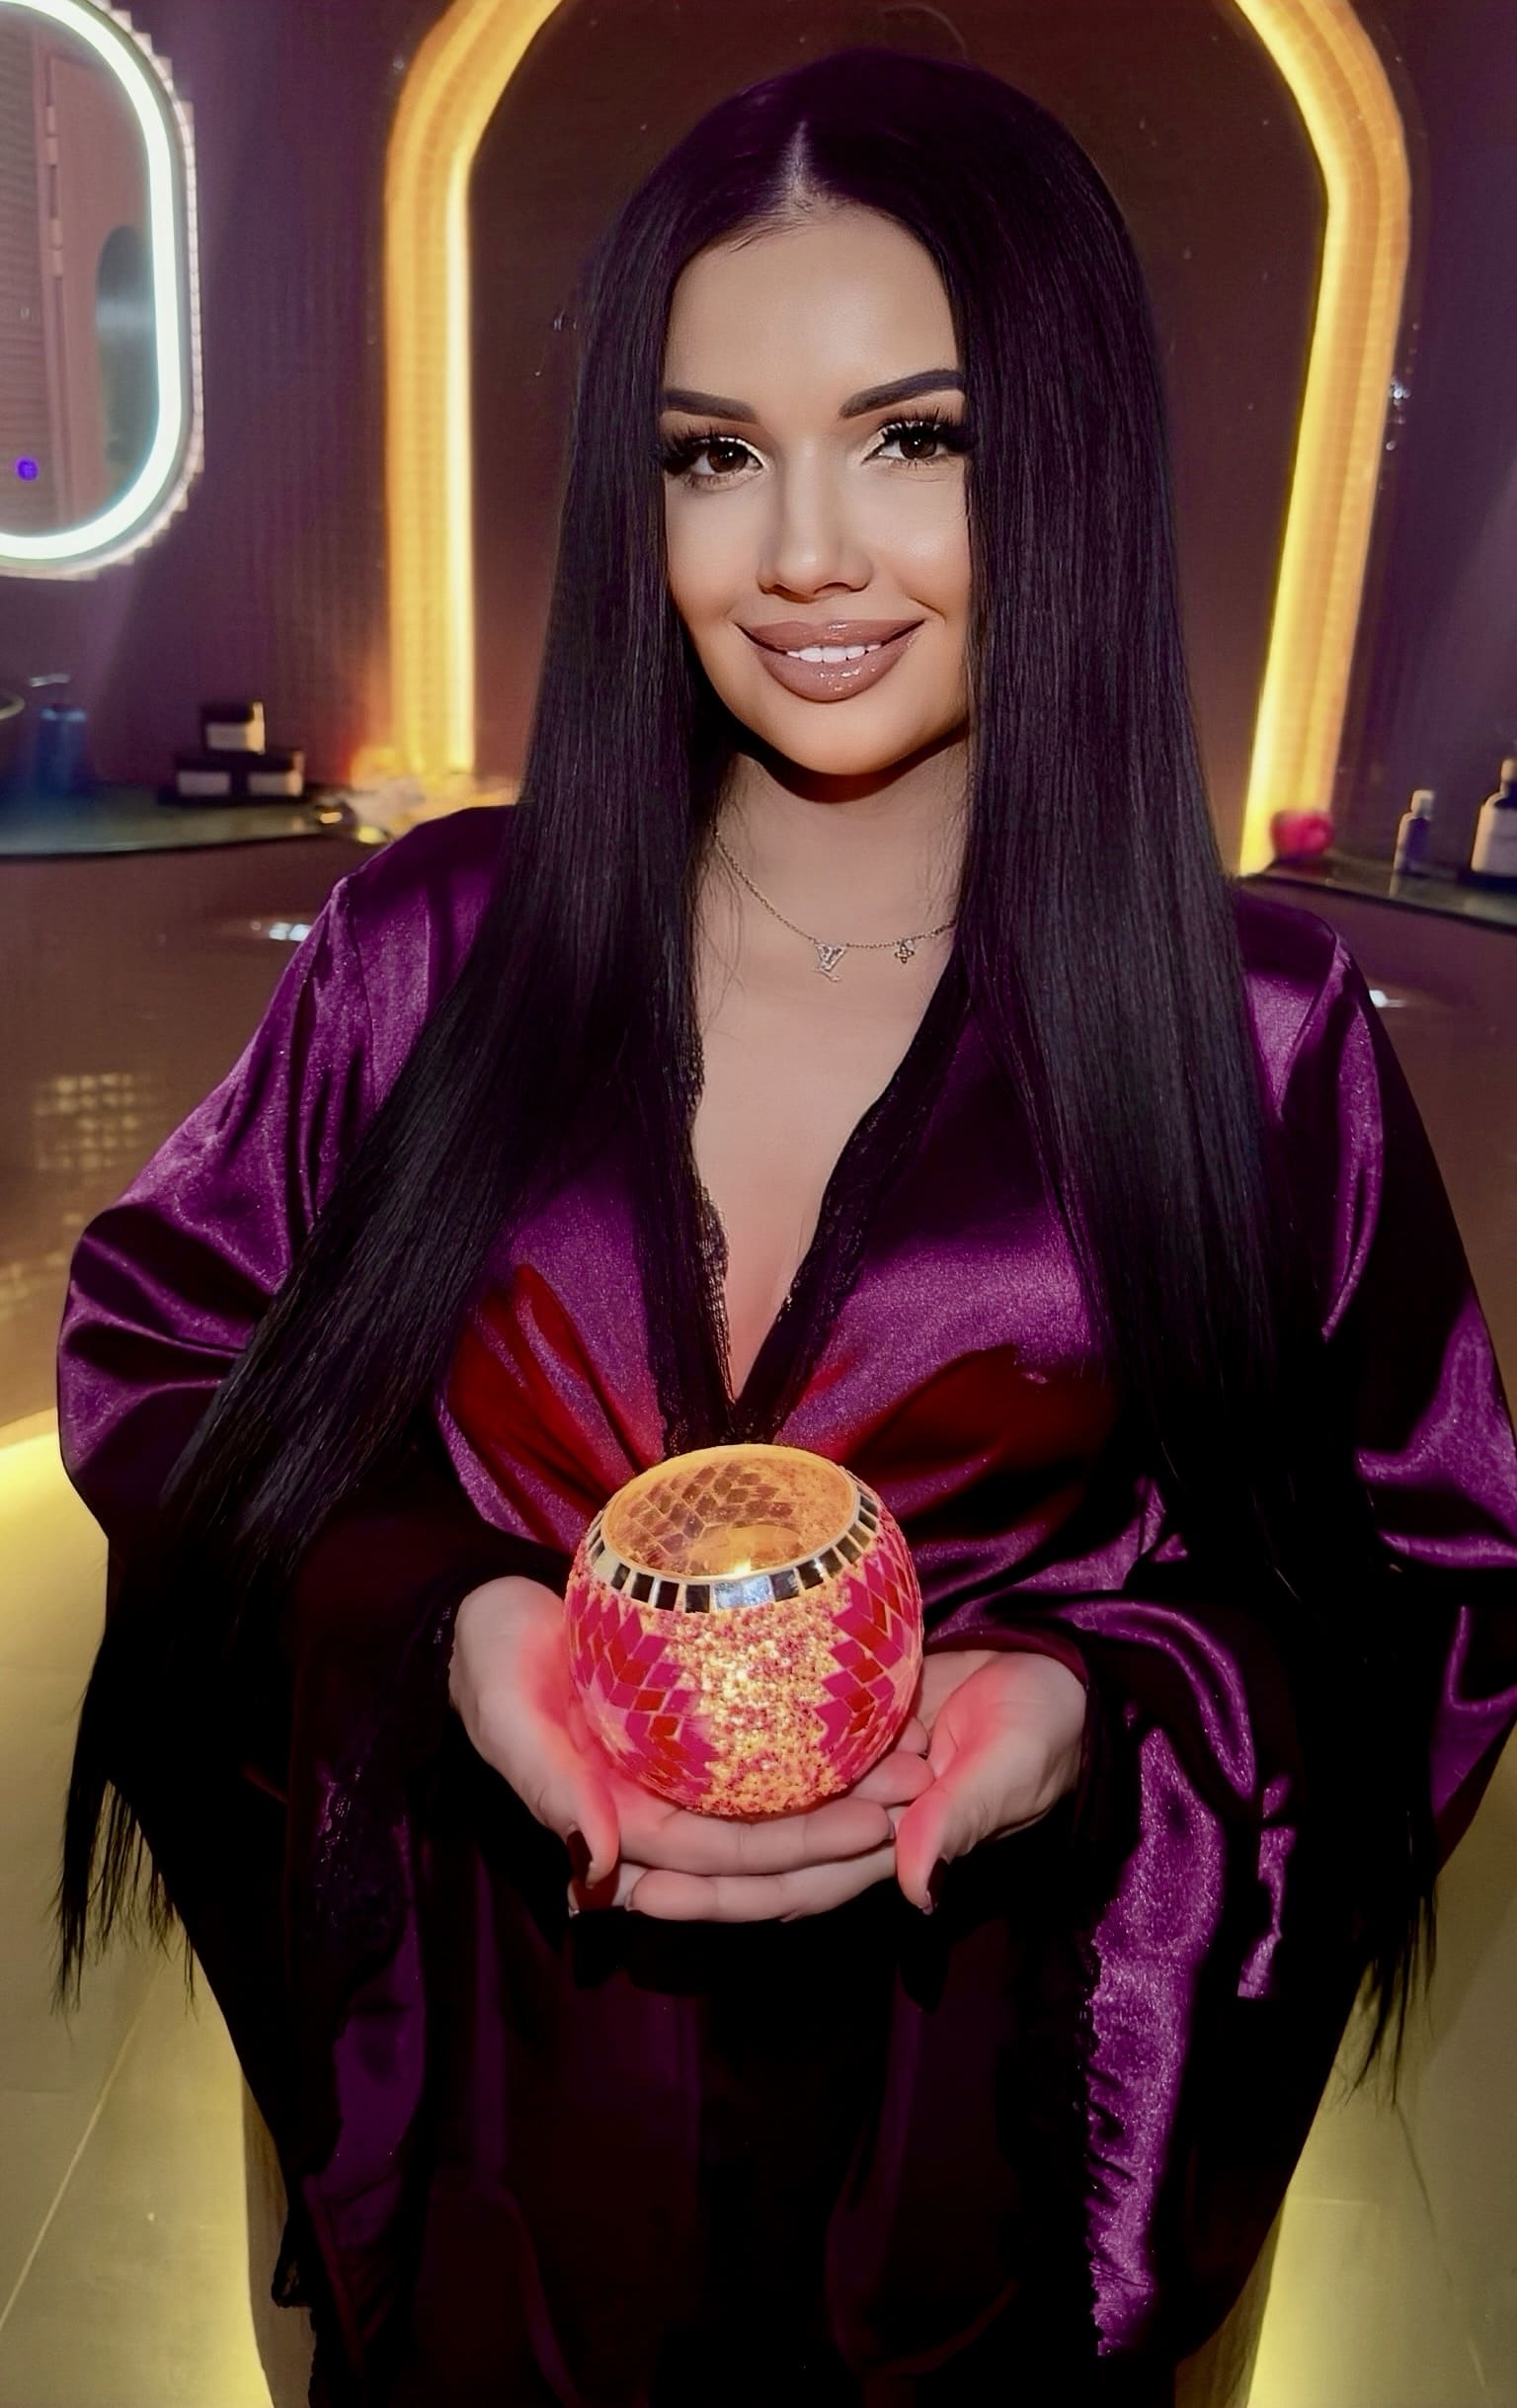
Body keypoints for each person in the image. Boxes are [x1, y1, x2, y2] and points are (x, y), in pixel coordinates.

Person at [51, 45, 1517, 2408]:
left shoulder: (1246, 1033)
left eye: (914, 439)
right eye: (715, 454)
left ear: (1066, 459)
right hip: (506, 2116)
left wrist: (1099, 1705)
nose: (804, 553)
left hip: (963, 2159)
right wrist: (449, 1622)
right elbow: (165, 1357)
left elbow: (1421, 1575)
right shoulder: (440, 951)